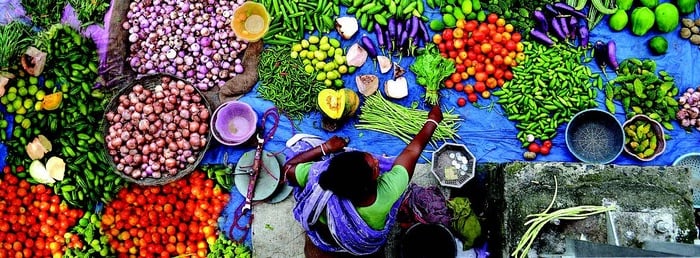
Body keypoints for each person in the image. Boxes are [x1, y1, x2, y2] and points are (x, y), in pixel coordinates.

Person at [283, 105, 444, 257]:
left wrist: (325, 148)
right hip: (364, 244)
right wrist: (433, 121)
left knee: (303, 149)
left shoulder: (320, 174)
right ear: (371, 181)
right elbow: (411, 151)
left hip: (324, 231)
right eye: (375, 167)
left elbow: (288, 169)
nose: (376, 160)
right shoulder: (387, 192)